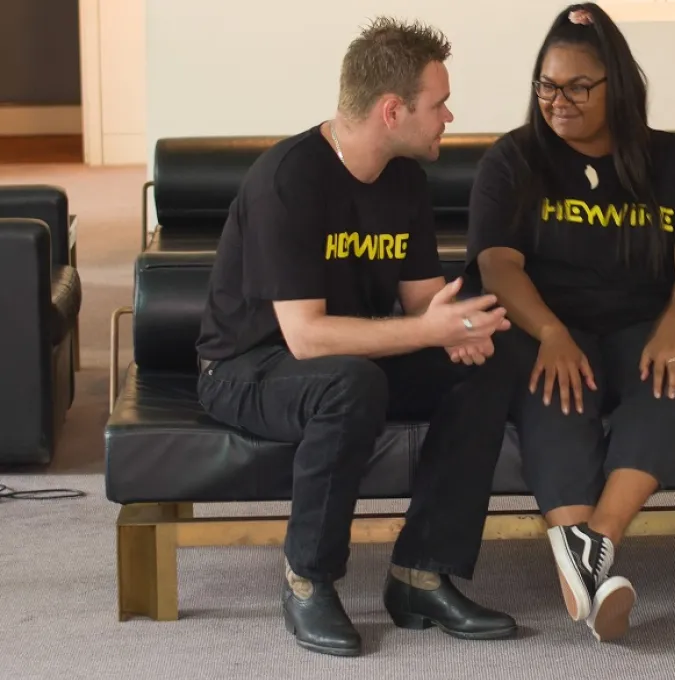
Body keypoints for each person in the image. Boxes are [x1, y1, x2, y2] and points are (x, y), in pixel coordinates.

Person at [194, 17, 521, 657]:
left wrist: (459, 329)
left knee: (488, 365)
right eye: (439, 104)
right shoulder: (288, 180)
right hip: (247, 366)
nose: (449, 116)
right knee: (348, 382)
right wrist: (426, 329)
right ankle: (307, 579)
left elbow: (423, 299)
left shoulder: (403, 179)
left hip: (347, 358)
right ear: (393, 110)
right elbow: (307, 338)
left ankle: (421, 574)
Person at [464, 3, 675, 642]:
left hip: (644, 320)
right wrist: (550, 332)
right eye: (547, 86)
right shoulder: (512, 159)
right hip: (547, 322)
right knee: (556, 387)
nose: (559, 101)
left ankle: (594, 546)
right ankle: (592, 568)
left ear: (619, 86)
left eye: (579, 86)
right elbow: (497, 265)